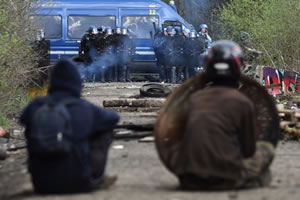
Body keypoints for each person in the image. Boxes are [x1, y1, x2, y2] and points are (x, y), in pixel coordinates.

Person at [162, 40, 275, 190]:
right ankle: (251, 182)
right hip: (226, 179)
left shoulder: (194, 98)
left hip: (189, 180)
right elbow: (249, 150)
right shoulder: (243, 102)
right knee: (267, 149)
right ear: (238, 67)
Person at [20, 59, 120, 194]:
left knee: (32, 127)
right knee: (104, 129)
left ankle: (42, 170)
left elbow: (22, 119)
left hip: (41, 185)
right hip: (79, 184)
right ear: (77, 81)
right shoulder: (85, 108)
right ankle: (95, 176)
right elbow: (114, 118)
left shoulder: (36, 106)